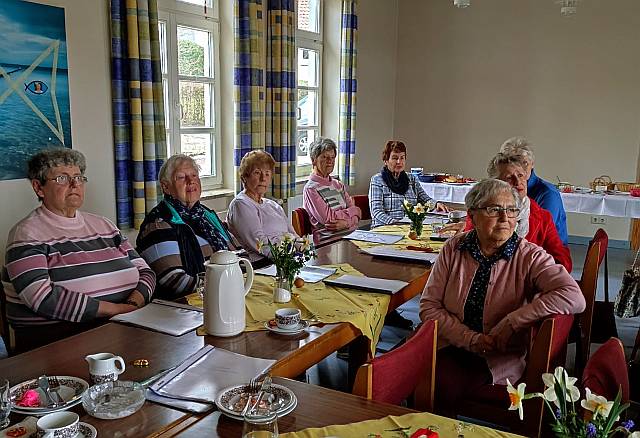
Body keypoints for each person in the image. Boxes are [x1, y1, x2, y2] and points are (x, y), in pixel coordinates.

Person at [420, 178, 584, 416]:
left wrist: (513, 320)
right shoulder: (454, 248)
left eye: (511, 210)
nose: (505, 217)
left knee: (438, 385)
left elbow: (574, 296)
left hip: (494, 355)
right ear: (473, 215)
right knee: (402, 369)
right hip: (448, 341)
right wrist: (469, 338)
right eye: (494, 209)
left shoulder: (529, 256)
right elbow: (429, 307)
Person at [1, 148, 155, 353]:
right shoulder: (26, 234)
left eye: (78, 177)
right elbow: (43, 298)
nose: (74, 184)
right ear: (38, 187)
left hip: (124, 326)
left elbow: (146, 272)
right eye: (62, 178)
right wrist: (116, 310)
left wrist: (132, 304)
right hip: (58, 342)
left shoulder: (104, 225)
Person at [444, 153, 572, 272]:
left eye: (521, 175)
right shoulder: (481, 213)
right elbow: (467, 257)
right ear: (495, 184)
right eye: (509, 178)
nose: (518, 182)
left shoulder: (543, 216)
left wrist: (530, 273)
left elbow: (563, 263)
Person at [137, 154, 238, 299]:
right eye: (181, 177)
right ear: (166, 187)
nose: (191, 181)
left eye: (194, 175)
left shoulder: (206, 215)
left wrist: (240, 280)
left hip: (227, 292)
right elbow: (174, 280)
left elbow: (239, 252)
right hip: (189, 305)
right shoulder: (158, 224)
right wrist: (228, 284)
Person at [227, 150, 299, 257]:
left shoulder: (273, 205)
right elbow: (261, 244)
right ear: (244, 177)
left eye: (267, 174)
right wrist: (291, 253)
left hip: (288, 258)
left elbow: (293, 234)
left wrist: (303, 248)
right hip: (263, 265)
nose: (263, 178)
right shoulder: (241, 204)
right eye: (257, 172)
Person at [500, 136, 568, 245]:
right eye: (514, 162)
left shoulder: (548, 193)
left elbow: (541, 235)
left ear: (532, 163)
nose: (520, 167)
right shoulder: (504, 190)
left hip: (546, 252)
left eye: (524, 163)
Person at [369, 140, 448, 228]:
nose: (399, 162)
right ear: (386, 160)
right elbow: (376, 212)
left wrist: (437, 204)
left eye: (402, 158)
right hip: (385, 228)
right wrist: (397, 224)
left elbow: (425, 199)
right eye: (395, 158)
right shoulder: (377, 180)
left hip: (409, 228)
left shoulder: (411, 178)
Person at [303, 137, 361, 244]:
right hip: (328, 243)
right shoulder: (311, 189)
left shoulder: (338, 184)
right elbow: (330, 220)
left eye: (332, 157)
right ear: (313, 160)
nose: (330, 161)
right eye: (325, 157)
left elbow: (358, 216)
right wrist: (353, 213)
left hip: (352, 237)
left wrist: (346, 223)